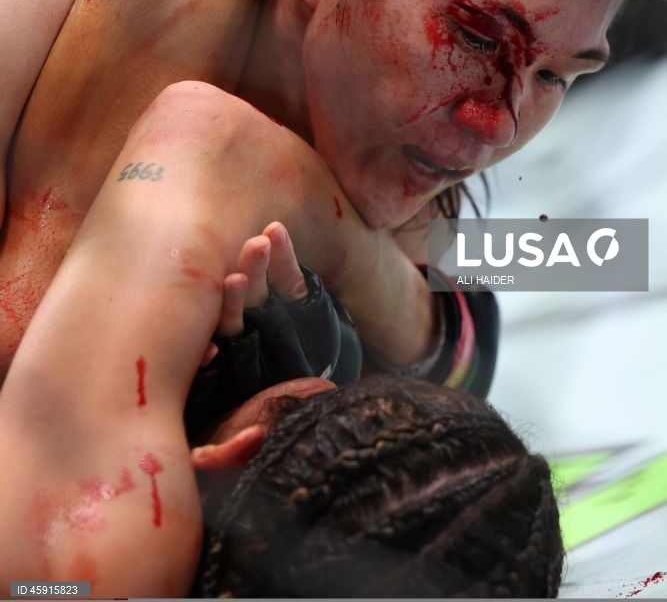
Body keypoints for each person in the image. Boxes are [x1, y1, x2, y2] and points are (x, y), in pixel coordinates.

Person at [0, 0, 650, 395]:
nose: (497, 125)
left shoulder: (397, 133)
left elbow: (588, 258)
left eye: (554, 76)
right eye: (475, 37)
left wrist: (346, 250)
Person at [0, 107, 563, 596]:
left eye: (327, 405)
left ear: (231, 463)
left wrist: (388, 298)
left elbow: (212, 141)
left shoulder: (97, 551)